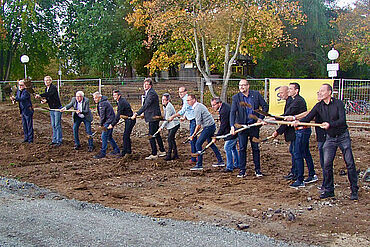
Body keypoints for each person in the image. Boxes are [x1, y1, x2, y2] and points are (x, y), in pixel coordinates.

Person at [296, 84, 359, 200]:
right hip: (330, 138)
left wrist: (330, 124)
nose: (320, 93)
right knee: (327, 164)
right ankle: (329, 190)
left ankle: (354, 190)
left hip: (343, 136)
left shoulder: (338, 103)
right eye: (319, 91)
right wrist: (297, 122)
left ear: (329, 92)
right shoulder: (319, 106)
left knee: (349, 163)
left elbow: (342, 120)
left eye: (322, 91)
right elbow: (308, 117)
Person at [230, 79, 268, 178]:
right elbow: (233, 113)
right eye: (240, 85)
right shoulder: (236, 98)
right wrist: (232, 126)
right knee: (242, 148)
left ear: (248, 86)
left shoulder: (256, 95)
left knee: (255, 148)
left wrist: (261, 118)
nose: (241, 87)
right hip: (242, 127)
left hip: (254, 126)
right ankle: (242, 170)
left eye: (243, 85)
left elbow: (265, 106)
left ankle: (258, 170)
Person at [283, 83, 317, 188]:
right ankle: (311, 174)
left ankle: (300, 179)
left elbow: (288, 115)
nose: (288, 90)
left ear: (296, 91)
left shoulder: (298, 101)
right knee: (305, 152)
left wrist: (272, 119)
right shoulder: (294, 100)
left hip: (302, 130)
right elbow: (289, 116)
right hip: (300, 130)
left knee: (297, 153)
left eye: (290, 89)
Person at [187, 94, 224, 170]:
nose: (187, 102)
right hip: (210, 126)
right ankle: (220, 161)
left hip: (209, 127)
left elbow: (198, 125)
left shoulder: (197, 108)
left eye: (189, 100)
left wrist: (193, 135)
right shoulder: (198, 106)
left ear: (194, 100)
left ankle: (199, 164)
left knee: (198, 143)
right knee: (211, 143)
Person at [132, 78, 166, 160]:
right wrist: (144, 113)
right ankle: (162, 150)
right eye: (144, 84)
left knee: (151, 135)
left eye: (147, 84)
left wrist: (137, 113)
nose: (145, 85)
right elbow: (149, 106)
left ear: (150, 85)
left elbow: (146, 105)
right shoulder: (149, 92)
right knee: (156, 134)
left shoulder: (151, 93)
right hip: (152, 116)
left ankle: (154, 153)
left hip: (153, 117)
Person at [168, 87, 197, 164]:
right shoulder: (185, 99)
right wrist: (184, 117)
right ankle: (196, 156)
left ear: (185, 92)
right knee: (193, 139)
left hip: (194, 120)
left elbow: (183, 110)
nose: (180, 93)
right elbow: (188, 110)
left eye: (182, 92)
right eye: (179, 92)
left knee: (192, 139)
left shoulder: (186, 99)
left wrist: (173, 116)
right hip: (192, 119)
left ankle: (194, 158)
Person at [272, 86, 296, 178]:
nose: (280, 95)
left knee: (296, 152)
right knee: (293, 151)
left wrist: (277, 131)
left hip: (295, 132)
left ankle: (296, 173)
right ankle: (294, 172)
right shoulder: (288, 101)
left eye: (281, 92)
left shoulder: (292, 101)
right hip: (291, 131)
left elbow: (286, 117)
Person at [211, 97, 239, 173]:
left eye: (214, 105)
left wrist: (217, 135)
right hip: (231, 129)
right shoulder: (224, 107)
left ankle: (229, 167)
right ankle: (237, 164)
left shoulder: (224, 111)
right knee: (233, 148)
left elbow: (223, 124)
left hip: (232, 130)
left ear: (219, 103)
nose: (213, 107)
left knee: (227, 147)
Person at [35, 76, 63, 146]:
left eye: (48, 80)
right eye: (45, 80)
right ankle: (54, 139)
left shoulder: (53, 88)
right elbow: (49, 98)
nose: (46, 82)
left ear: (51, 81)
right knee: (53, 125)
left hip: (57, 108)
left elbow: (50, 94)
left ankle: (59, 140)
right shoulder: (46, 89)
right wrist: (45, 101)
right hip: (51, 108)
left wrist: (40, 95)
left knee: (57, 125)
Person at [92, 92, 120, 159]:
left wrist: (101, 125)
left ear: (99, 97)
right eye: (94, 98)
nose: (94, 99)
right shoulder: (102, 102)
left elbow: (102, 116)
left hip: (109, 121)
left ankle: (103, 153)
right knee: (109, 137)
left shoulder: (103, 103)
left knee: (104, 136)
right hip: (110, 120)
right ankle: (116, 150)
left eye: (95, 98)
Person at [109, 90, 136, 157]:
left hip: (130, 120)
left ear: (119, 95)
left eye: (115, 95)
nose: (114, 96)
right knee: (126, 136)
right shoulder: (120, 101)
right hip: (128, 119)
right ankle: (128, 151)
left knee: (125, 136)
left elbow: (118, 115)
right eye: (113, 95)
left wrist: (112, 124)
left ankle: (124, 152)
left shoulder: (121, 102)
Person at [10, 79, 34, 143]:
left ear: (24, 85)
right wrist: (14, 99)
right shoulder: (19, 91)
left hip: (28, 110)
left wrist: (15, 98)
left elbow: (22, 98)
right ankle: (26, 138)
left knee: (29, 125)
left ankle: (30, 139)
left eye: (21, 85)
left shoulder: (26, 91)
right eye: (19, 85)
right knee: (24, 125)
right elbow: (18, 97)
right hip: (22, 110)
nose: (20, 86)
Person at [158, 93, 180, 160]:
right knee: (172, 139)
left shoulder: (169, 107)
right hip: (170, 125)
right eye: (162, 100)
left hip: (174, 124)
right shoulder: (165, 106)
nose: (163, 101)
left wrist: (161, 127)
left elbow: (167, 119)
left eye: (164, 100)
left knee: (170, 139)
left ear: (168, 100)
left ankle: (169, 155)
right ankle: (175, 154)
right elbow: (165, 116)